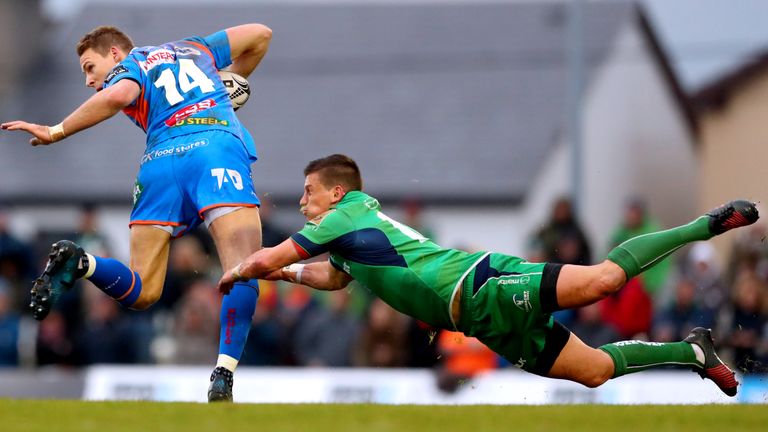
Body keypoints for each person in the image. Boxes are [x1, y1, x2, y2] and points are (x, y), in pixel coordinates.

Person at [218, 154, 760, 397]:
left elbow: (266, 256)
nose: (303, 199)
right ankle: (693, 353)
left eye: (309, 189)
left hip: (481, 285)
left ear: (336, 191)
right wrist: (289, 276)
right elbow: (334, 279)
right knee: (594, 372)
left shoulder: (346, 213)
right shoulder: (343, 239)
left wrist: (242, 268)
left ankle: (703, 226)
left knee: (602, 281)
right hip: (482, 321)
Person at [1, 24, 272, 402]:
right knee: (243, 267)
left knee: (143, 291)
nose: (88, 80)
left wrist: (56, 130)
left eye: (89, 67)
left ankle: (84, 264)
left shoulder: (131, 63)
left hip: (159, 162)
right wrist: (231, 80)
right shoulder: (195, 47)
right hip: (213, 143)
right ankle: (223, 373)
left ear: (115, 53)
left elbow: (121, 93)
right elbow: (261, 34)